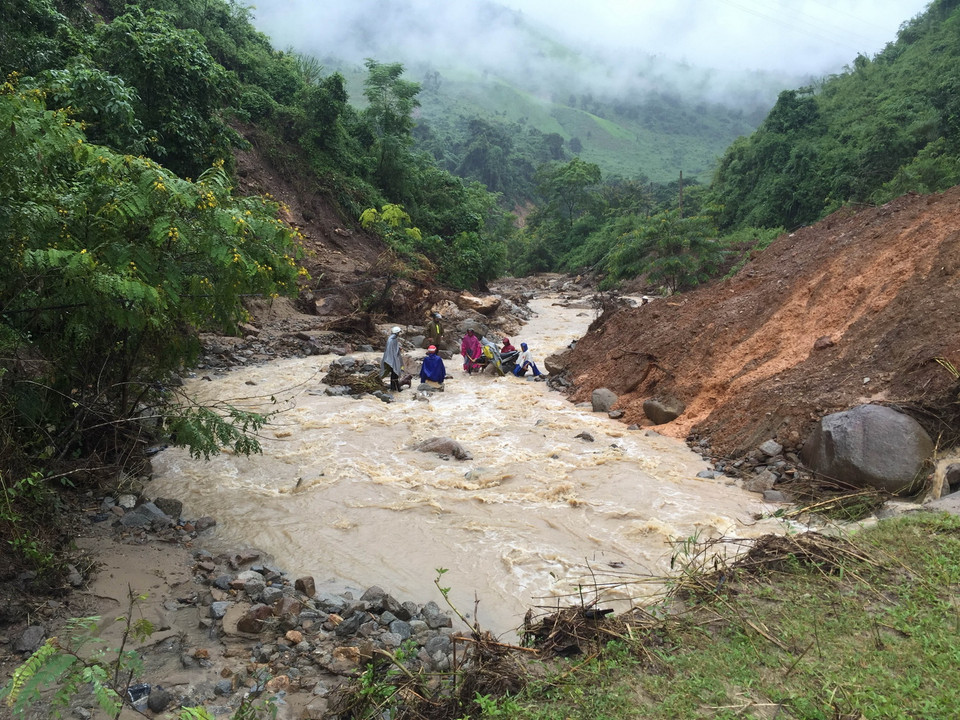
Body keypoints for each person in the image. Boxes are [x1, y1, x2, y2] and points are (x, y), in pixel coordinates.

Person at [381, 326, 405, 391]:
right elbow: (391, 350)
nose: (400, 333)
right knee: (395, 372)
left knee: (394, 373)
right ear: (397, 333)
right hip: (392, 358)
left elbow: (394, 348)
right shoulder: (392, 340)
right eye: (399, 332)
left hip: (393, 358)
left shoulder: (393, 338)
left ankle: (394, 387)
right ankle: (396, 388)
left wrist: (398, 347)